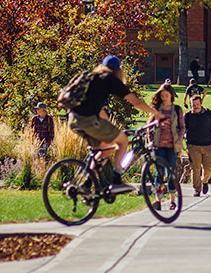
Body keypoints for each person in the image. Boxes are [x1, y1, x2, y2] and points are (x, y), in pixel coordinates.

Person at [68, 56, 167, 194]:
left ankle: (86, 184)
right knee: (123, 141)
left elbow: (100, 110)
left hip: (74, 119)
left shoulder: (93, 78)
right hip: (88, 120)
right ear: (118, 70)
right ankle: (116, 181)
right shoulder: (110, 79)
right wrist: (156, 114)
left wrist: (108, 128)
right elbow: (136, 102)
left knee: (106, 150)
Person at [150, 84, 185, 209]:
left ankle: (172, 200)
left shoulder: (177, 109)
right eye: (162, 95)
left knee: (171, 172)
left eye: (166, 95)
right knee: (158, 173)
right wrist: (150, 141)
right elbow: (149, 127)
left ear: (171, 95)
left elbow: (182, 128)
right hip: (158, 145)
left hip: (172, 146)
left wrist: (179, 141)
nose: (164, 98)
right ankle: (157, 200)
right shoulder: (156, 109)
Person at [184, 95, 211, 197]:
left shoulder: (208, 114)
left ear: (201, 103)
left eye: (197, 104)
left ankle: (205, 181)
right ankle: (197, 189)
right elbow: (182, 129)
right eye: (193, 105)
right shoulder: (188, 116)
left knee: (209, 167)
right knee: (195, 168)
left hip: (207, 145)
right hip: (193, 145)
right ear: (190, 104)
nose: (195, 106)